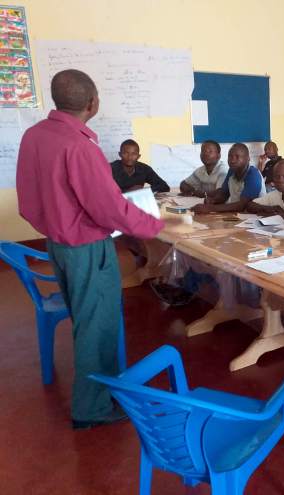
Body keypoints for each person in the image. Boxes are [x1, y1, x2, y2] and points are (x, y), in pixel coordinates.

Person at [16, 69, 165, 429]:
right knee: (97, 327)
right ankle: (91, 409)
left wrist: (57, 225)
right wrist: (156, 227)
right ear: (92, 103)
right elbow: (109, 209)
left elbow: (28, 201)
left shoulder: (34, 136)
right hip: (87, 249)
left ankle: (101, 391)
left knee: (87, 321)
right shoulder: (81, 147)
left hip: (59, 246)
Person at [192, 142, 265, 214]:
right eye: (230, 156)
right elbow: (224, 194)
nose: (232, 160)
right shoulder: (232, 171)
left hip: (255, 217)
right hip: (236, 215)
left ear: (248, 159)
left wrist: (210, 208)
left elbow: (242, 205)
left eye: (237, 157)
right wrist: (213, 200)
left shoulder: (253, 175)